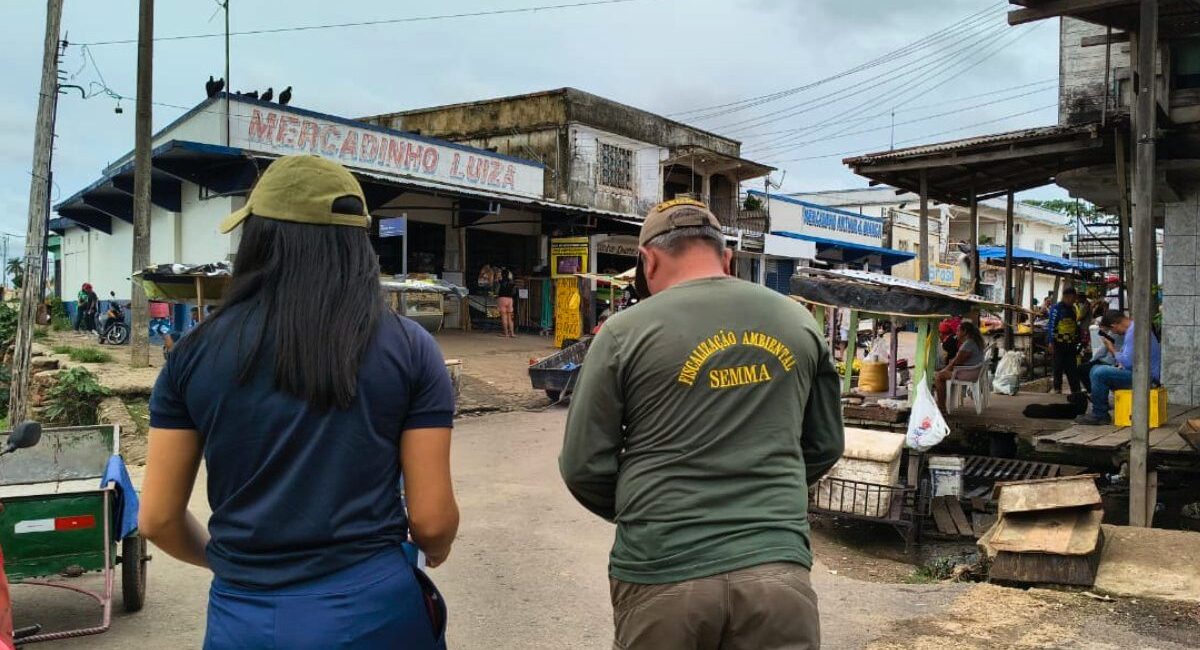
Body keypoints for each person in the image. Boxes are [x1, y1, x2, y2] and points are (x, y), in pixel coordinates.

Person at [140, 155, 458, 649]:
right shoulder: (411, 347)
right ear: (358, 243)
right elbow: (432, 520)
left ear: (259, 240)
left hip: (243, 618)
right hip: (376, 610)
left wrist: (226, 561)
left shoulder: (192, 356)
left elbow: (157, 518)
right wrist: (434, 549)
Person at [559, 198, 844, 649]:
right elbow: (825, 443)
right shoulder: (798, 322)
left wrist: (648, 511)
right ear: (727, 258)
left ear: (648, 260)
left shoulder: (622, 333)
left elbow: (582, 465)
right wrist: (767, 498)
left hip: (662, 573)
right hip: (776, 570)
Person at [1076, 310, 1162, 425]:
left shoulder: (1134, 332)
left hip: (1147, 378)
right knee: (1095, 369)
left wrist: (1111, 347)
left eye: (1112, 330)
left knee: (1099, 373)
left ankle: (1100, 415)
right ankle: (1100, 409)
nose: (1114, 333)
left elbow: (1127, 362)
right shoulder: (1134, 329)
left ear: (1114, 325)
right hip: (1142, 373)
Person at [935, 320, 986, 412]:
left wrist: (944, 370)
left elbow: (956, 362)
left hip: (968, 374)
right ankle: (942, 403)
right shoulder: (973, 342)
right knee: (941, 373)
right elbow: (957, 360)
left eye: (958, 331)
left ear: (965, 332)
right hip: (973, 372)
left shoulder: (968, 344)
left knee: (939, 376)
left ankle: (941, 407)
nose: (956, 333)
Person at [1046, 287, 1083, 394]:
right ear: (1067, 297)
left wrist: (1078, 340)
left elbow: (1075, 325)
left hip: (1071, 343)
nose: (1074, 300)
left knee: (1072, 368)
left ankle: (1076, 391)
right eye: (1073, 298)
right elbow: (1051, 326)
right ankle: (1057, 389)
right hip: (1058, 343)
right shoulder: (1056, 309)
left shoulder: (1073, 309)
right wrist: (1050, 342)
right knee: (1058, 367)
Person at [496, 268, 517, 338]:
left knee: (504, 317)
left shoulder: (500, 281)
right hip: (510, 299)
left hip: (502, 299)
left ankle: (506, 333)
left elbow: (496, 281)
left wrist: (498, 274)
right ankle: (512, 333)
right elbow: (514, 292)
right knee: (510, 317)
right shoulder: (512, 282)